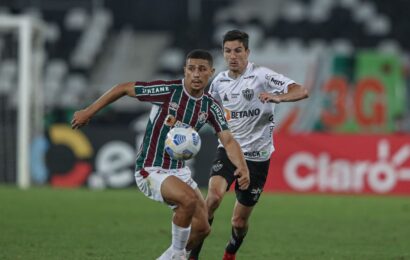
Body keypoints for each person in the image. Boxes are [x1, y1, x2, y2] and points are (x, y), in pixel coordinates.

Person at [71, 49, 250, 260]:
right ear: (185, 70)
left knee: (202, 228)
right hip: (151, 168)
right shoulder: (168, 91)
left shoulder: (210, 106)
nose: (196, 74)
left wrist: (243, 167)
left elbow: (228, 139)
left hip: (179, 171)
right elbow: (124, 88)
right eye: (191, 68)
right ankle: (177, 255)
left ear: (210, 73)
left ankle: (171, 257)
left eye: (202, 69)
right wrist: (88, 112)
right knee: (188, 200)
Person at [189, 30, 309, 260]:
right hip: (229, 150)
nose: (232, 56)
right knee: (212, 199)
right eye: (227, 51)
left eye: (237, 50)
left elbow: (301, 90)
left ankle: (230, 253)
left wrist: (278, 97)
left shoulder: (262, 76)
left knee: (239, 221)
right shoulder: (219, 83)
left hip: (257, 158)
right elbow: (205, 111)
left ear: (247, 52)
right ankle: (192, 255)